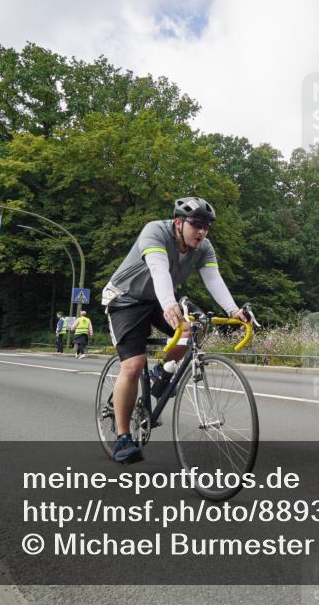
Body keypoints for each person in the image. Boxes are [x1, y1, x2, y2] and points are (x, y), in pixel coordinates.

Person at [101, 197, 253, 463]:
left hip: (159, 298)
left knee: (196, 327)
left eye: (206, 226)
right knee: (134, 366)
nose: (202, 232)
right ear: (178, 222)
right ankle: (123, 437)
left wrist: (234, 311)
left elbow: (214, 280)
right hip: (126, 299)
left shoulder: (204, 247)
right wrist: (170, 303)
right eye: (196, 224)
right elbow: (159, 271)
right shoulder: (155, 231)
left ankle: (163, 371)